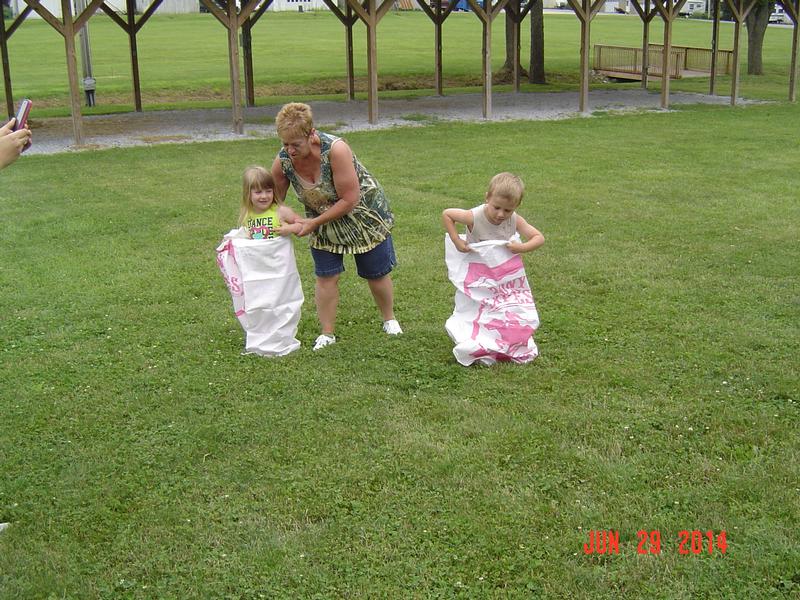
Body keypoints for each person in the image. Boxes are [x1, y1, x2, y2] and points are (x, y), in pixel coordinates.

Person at [270, 102, 401, 351]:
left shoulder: (336, 150)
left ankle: (389, 319)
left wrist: (312, 223)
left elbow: (350, 199)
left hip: (363, 215)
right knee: (326, 276)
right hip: (320, 218)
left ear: (312, 134)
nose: (289, 150)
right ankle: (327, 334)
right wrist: (285, 216)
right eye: (285, 144)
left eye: (295, 144)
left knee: (376, 273)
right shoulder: (284, 160)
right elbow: (273, 199)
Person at [442, 172, 544, 254]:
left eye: (507, 210)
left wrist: (522, 247)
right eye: (496, 207)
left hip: (500, 266)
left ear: (517, 206)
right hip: (475, 265)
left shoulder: (515, 220)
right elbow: (447, 214)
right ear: (487, 198)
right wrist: (456, 240)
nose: (501, 214)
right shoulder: (474, 217)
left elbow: (538, 238)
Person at [239, 165, 302, 239]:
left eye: (268, 191)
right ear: (248, 194)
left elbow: (303, 225)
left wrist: (290, 228)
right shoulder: (247, 214)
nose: (264, 196)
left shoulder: (281, 211)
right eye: (258, 192)